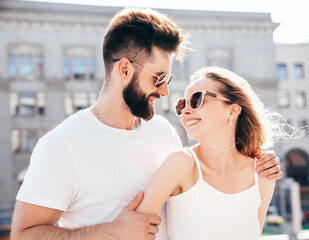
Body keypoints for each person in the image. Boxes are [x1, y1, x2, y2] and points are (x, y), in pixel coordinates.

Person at [11, 8, 282, 240]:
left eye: (168, 80)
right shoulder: (62, 144)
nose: (165, 92)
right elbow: (23, 235)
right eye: (159, 78)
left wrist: (255, 158)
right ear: (125, 69)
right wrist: (107, 232)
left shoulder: (163, 131)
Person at [136, 66, 289, 239]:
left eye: (197, 99)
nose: (185, 111)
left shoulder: (262, 175)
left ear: (232, 110)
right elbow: (136, 232)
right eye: (182, 104)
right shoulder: (181, 163)